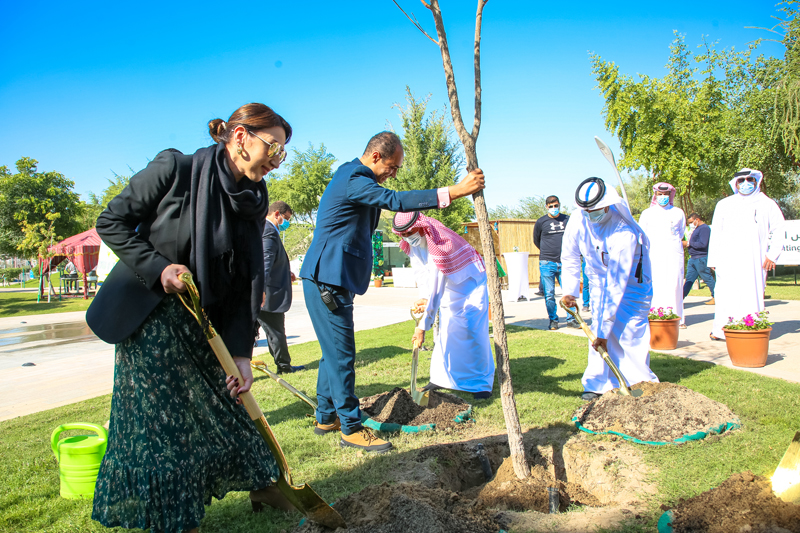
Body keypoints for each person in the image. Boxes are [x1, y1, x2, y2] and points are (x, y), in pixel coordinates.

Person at [86, 103, 295, 533]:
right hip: (151, 323)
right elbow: (111, 222)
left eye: (281, 153)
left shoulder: (253, 202)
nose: (275, 160)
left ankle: (265, 483)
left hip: (204, 324)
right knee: (164, 428)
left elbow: (246, 283)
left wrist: (241, 352)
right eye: (272, 148)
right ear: (240, 137)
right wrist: (158, 267)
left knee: (230, 405)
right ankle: (177, 520)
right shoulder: (175, 170)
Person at [299, 131, 485, 453]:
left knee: (333, 351)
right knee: (342, 355)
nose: (394, 173)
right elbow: (396, 201)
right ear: (375, 157)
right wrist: (454, 192)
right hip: (326, 281)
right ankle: (351, 429)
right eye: (393, 166)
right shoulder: (355, 178)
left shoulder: (351, 176)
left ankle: (326, 416)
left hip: (329, 280)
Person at [560, 177, 659, 401]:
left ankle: (638, 383)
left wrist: (604, 332)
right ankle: (596, 384)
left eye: (594, 210)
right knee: (596, 331)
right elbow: (570, 256)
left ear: (608, 205)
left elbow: (616, 285)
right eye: (585, 210)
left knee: (628, 334)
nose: (589, 214)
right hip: (597, 282)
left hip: (631, 287)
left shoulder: (624, 232)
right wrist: (570, 290)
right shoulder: (579, 218)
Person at [392, 211, 495, 400]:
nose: (407, 237)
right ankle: (441, 379)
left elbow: (436, 286)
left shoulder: (439, 242)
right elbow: (422, 273)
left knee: (472, 332)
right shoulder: (414, 243)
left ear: (421, 225)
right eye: (403, 235)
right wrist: (423, 297)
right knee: (446, 333)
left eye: (409, 232)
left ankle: (480, 384)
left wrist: (423, 326)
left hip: (470, 288)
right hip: (450, 289)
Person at [707, 168, 786, 341]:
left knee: (752, 293)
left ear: (756, 181)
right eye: (741, 180)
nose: (745, 183)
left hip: (754, 260)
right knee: (725, 293)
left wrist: (772, 255)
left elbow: (779, 229)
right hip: (727, 259)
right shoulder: (724, 204)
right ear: (735, 184)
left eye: (749, 179)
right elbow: (717, 233)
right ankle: (721, 330)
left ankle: (751, 329)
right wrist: (713, 259)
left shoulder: (767, 204)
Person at [257, 201, 305, 374]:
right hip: (268, 294)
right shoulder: (268, 232)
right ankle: (284, 367)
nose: (286, 223)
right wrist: (260, 290)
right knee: (276, 332)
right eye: (286, 219)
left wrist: (287, 273)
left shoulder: (267, 230)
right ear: (276, 214)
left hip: (264, 292)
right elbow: (265, 262)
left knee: (260, 332)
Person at [638, 183, 686, 327]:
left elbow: (681, 232)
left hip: (673, 254)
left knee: (674, 285)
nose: (663, 197)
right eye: (660, 194)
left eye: (666, 194)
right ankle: (654, 316)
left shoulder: (678, 212)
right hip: (654, 254)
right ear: (655, 195)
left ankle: (677, 319)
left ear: (670, 195)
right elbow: (642, 235)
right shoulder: (647, 213)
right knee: (655, 284)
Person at [533, 195, 577, 330]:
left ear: (559, 205)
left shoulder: (567, 220)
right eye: (551, 206)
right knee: (549, 294)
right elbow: (536, 240)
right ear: (546, 207)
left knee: (569, 292)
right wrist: (548, 252)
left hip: (565, 262)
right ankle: (553, 320)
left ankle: (571, 319)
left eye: (556, 205)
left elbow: (573, 237)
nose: (554, 208)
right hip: (547, 263)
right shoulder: (541, 222)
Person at [682, 212, 715, 304]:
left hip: (701, 258)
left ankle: (716, 296)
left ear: (697, 219)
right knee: (689, 280)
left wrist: (689, 243)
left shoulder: (704, 229)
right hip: (693, 258)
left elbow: (703, 244)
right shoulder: (697, 229)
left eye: (691, 222)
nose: (690, 224)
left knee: (707, 278)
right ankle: (680, 299)